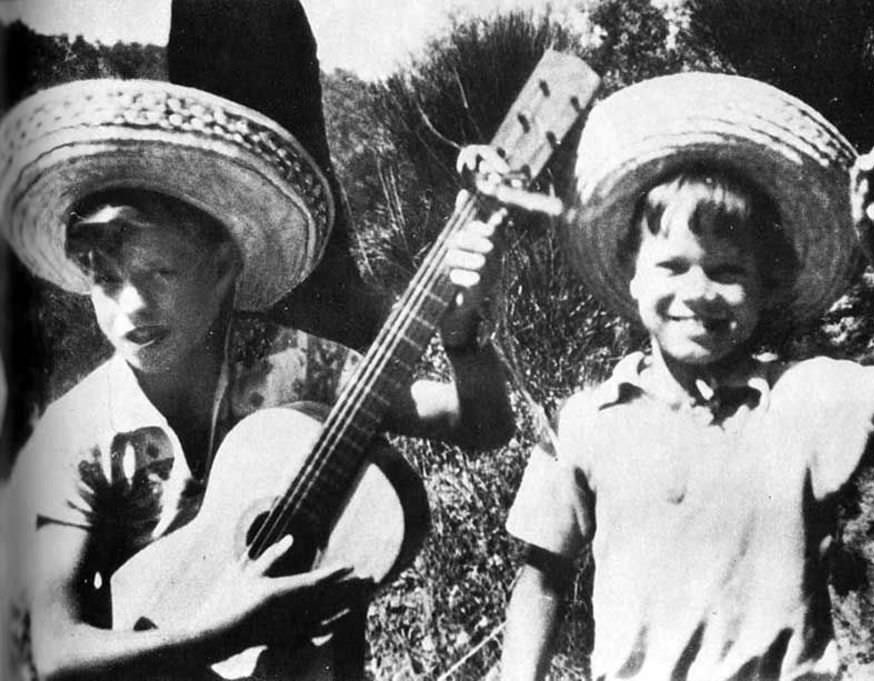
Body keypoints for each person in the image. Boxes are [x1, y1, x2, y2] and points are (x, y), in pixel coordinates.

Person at [1, 60, 513, 681]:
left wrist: (462, 337)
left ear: (222, 270)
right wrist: (230, 632)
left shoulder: (295, 365)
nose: (132, 306)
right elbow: (42, 649)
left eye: (160, 273)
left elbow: (478, 425)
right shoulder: (77, 437)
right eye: (106, 281)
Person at [498, 73, 874, 681]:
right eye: (672, 266)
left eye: (728, 269)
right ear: (632, 274)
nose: (697, 293)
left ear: (769, 282)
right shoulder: (584, 423)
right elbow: (542, 576)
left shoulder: (806, 396)